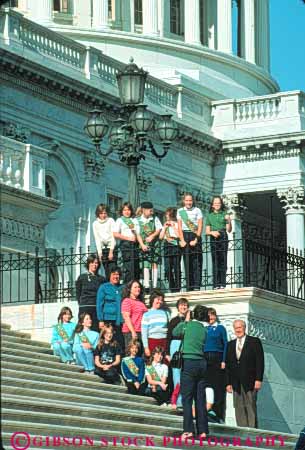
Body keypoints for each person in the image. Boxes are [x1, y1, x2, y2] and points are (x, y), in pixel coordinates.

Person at [172, 305, 209, 439]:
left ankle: (188, 429)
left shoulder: (187, 326)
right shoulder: (204, 329)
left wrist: (186, 320)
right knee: (200, 398)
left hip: (189, 362)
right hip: (202, 363)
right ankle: (203, 430)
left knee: (187, 398)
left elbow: (175, 332)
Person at [226, 319, 264, 428]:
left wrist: (258, 379)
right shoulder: (230, 345)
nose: (238, 330)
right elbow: (228, 366)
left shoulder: (254, 341)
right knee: (238, 406)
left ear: (244, 327)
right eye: (236, 328)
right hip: (235, 382)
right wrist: (228, 383)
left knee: (250, 404)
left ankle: (252, 430)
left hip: (250, 381)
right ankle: (242, 430)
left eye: (240, 327)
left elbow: (260, 361)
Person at [204, 307, 228, 422]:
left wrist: (224, 360)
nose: (210, 317)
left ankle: (218, 413)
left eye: (212, 315)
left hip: (217, 358)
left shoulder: (220, 328)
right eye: (208, 315)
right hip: (206, 358)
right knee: (207, 385)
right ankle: (208, 409)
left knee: (217, 385)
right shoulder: (204, 328)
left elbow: (225, 344)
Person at [167, 297, 189, 408]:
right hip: (175, 345)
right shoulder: (174, 320)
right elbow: (169, 337)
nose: (183, 307)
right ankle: (177, 399)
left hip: (186, 346)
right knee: (176, 373)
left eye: (185, 305)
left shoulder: (190, 320)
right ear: (178, 307)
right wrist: (167, 353)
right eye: (181, 305)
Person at [178, 193, 203, 291]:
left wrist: (196, 238)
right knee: (187, 261)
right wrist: (182, 240)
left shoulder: (197, 210)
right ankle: (189, 286)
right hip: (185, 235)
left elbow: (200, 225)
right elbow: (179, 226)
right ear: (184, 201)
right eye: (187, 200)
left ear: (193, 201)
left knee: (196, 261)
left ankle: (197, 285)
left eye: (190, 200)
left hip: (194, 234)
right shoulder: (180, 211)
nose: (189, 202)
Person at [205, 196, 232, 289]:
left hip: (223, 235)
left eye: (219, 203)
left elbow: (229, 230)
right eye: (215, 203)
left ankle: (222, 283)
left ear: (221, 204)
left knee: (223, 259)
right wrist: (212, 232)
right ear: (212, 205)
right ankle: (216, 284)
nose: (217, 205)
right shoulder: (209, 216)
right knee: (215, 259)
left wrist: (229, 220)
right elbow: (207, 231)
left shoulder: (224, 214)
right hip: (214, 237)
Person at [96, 267, 124, 353]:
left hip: (120, 320)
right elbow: (99, 304)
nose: (116, 276)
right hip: (108, 319)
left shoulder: (123, 288)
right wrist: (100, 319)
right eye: (114, 274)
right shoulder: (104, 287)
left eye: (118, 275)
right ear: (110, 276)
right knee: (107, 341)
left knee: (119, 342)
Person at [136, 201, 162, 291]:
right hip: (144, 244)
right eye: (149, 210)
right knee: (145, 263)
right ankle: (146, 285)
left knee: (154, 263)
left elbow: (159, 229)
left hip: (154, 244)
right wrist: (142, 244)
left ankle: (154, 286)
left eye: (152, 210)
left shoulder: (155, 219)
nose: (151, 212)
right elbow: (138, 234)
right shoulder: (137, 220)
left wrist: (152, 236)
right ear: (143, 210)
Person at [75, 254, 105, 332]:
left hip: (96, 308)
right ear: (88, 264)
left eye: (96, 263)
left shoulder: (102, 279)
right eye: (92, 262)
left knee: (96, 330)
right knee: (83, 330)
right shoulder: (82, 277)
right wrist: (82, 303)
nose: (94, 265)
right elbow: (78, 293)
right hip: (85, 307)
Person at [113, 202, 140, 283]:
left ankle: (135, 285)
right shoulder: (120, 220)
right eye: (124, 210)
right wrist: (128, 238)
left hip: (135, 244)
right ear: (122, 211)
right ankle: (128, 286)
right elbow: (115, 234)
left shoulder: (134, 220)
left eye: (128, 210)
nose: (127, 212)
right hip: (126, 244)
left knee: (136, 267)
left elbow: (138, 232)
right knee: (129, 267)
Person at [141, 289, 170, 358]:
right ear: (152, 299)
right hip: (152, 342)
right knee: (152, 365)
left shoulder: (167, 313)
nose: (160, 301)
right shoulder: (146, 314)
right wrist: (146, 347)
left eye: (161, 300)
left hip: (164, 342)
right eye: (158, 299)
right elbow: (144, 333)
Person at [121, 280, 148, 351]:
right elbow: (126, 317)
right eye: (135, 287)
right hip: (130, 332)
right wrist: (133, 332)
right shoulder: (127, 301)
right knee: (131, 355)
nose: (138, 289)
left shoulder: (141, 302)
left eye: (139, 287)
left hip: (141, 331)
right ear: (130, 289)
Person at [92, 204, 117, 280]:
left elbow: (113, 236)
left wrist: (111, 251)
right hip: (103, 248)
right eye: (101, 213)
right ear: (98, 213)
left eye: (105, 213)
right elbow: (97, 239)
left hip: (111, 247)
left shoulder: (111, 221)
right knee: (106, 270)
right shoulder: (95, 224)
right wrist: (99, 253)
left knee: (112, 268)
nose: (103, 215)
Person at [159, 207, 181, 293]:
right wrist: (164, 228)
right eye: (166, 214)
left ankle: (177, 287)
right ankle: (172, 287)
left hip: (175, 245)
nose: (167, 216)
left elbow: (179, 235)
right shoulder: (165, 224)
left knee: (176, 267)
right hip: (167, 245)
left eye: (168, 214)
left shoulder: (177, 224)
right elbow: (161, 237)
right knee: (167, 268)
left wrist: (173, 226)